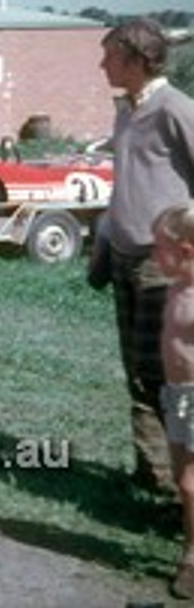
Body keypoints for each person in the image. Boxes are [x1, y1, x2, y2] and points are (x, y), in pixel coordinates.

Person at [100, 17, 194, 496]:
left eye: (110, 56)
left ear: (138, 59)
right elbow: (125, 186)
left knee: (167, 373)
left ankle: (182, 482)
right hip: (123, 256)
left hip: (164, 265)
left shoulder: (176, 109)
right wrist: (103, 244)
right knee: (137, 370)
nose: (102, 65)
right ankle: (153, 474)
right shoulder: (124, 111)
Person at [154, 203, 194, 599]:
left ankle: (192, 560)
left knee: (190, 482)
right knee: (182, 480)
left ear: (186, 251)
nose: (153, 256)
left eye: (159, 248)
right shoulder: (175, 287)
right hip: (176, 393)